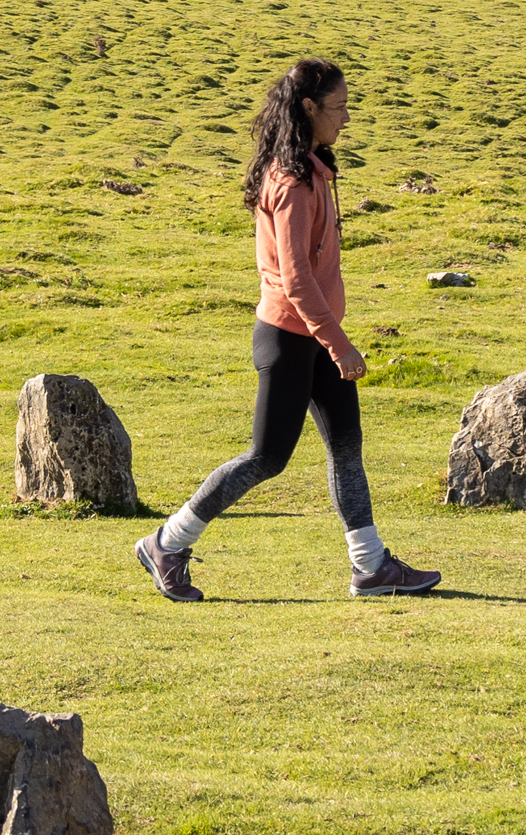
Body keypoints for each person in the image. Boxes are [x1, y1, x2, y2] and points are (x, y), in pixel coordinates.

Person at [137, 56, 437, 601]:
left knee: (347, 449)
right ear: (308, 108)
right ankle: (167, 541)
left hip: (316, 334)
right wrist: (339, 344)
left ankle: (370, 566)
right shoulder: (295, 181)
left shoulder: (313, 166)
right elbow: (297, 280)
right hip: (291, 337)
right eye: (339, 107)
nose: (347, 117)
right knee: (267, 458)